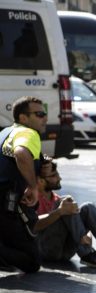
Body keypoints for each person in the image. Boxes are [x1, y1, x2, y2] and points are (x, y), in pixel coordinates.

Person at [0, 97, 44, 273]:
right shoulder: (28, 133)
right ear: (23, 118)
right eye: (39, 114)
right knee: (31, 261)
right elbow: (21, 153)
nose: (45, 118)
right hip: (4, 199)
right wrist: (33, 186)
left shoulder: (5, 132)